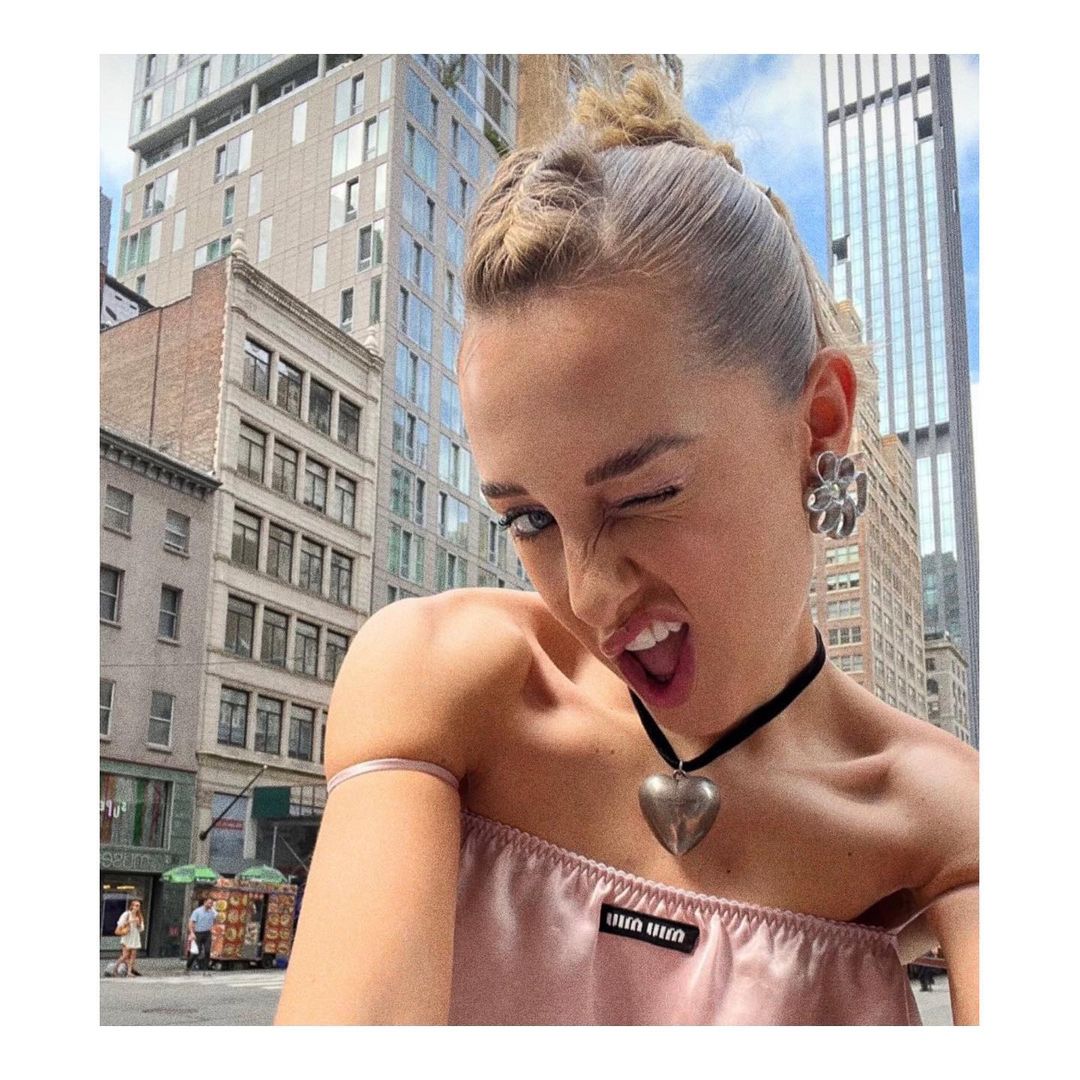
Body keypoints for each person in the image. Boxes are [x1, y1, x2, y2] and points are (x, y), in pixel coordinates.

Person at [277, 68, 978, 1026]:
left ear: (820, 422)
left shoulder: (953, 817)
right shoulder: (441, 680)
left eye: (646, 495)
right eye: (529, 520)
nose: (590, 593)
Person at [114, 898, 144, 977]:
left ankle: (129, 972)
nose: (137, 907)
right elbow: (120, 924)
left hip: (135, 936)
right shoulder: (126, 914)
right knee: (125, 955)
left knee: (133, 955)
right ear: (132, 906)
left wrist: (138, 924)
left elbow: (141, 929)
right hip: (127, 936)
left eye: (138, 906)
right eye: (136, 905)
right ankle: (115, 968)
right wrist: (130, 921)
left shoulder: (139, 916)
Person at [187, 897, 216, 975]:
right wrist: (192, 933)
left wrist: (214, 911)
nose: (211, 905)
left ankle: (205, 970)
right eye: (209, 903)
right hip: (198, 933)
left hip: (207, 933)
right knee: (196, 951)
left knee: (207, 951)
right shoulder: (197, 911)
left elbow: (217, 919)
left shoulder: (212, 912)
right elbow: (191, 922)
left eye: (212, 903)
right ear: (204, 902)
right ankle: (188, 966)